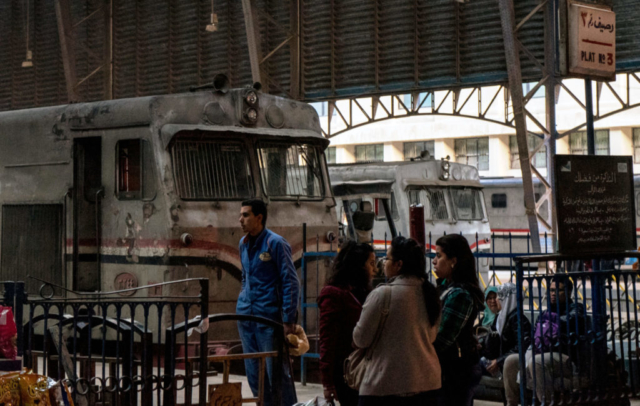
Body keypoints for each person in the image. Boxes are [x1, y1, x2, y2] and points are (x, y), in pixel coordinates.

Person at [353, 236, 442, 406]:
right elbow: (431, 337)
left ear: (398, 264)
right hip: (428, 384)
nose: (383, 263)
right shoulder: (430, 295)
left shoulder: (382, 295)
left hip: (384, 385)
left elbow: (360, 339)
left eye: (387, 258)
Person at [236, 199, 299, 406]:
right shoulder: (243, 243)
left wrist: (288, 319)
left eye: (245, 215)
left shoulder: (276, 243)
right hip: (246, 317)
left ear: (259, 218)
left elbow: (290, 281)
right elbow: (245, 276)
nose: (241, 220)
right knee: (254, 374)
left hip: (269, 318)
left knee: (277, 373)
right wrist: (243, 298)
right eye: (241, 215)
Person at [318, 241, 376, 406]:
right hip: (346, 371)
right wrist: (327, 382)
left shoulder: (365, 292)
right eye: (371, 263)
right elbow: (327, 341)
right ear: (358, 265)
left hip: (367, 369)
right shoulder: (334, 294)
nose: (375, 269)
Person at [432, 234, 484, 406]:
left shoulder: (459, 295)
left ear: (453, 261)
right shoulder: (447, 288)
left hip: (457, 370)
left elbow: (443, 338)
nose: (434, 261)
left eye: (439, 256)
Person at [517, 277, 586, 405]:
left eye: (558, 290)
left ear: (568, 292)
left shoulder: (576, 308)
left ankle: (547, 403)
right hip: (543, 352)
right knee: (512, 361)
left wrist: (550, 319)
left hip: (566, 357)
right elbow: (534, 335)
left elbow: (569, 320)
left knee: (537, 362)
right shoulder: (545, 312)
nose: (553, 293)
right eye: (551, 290)